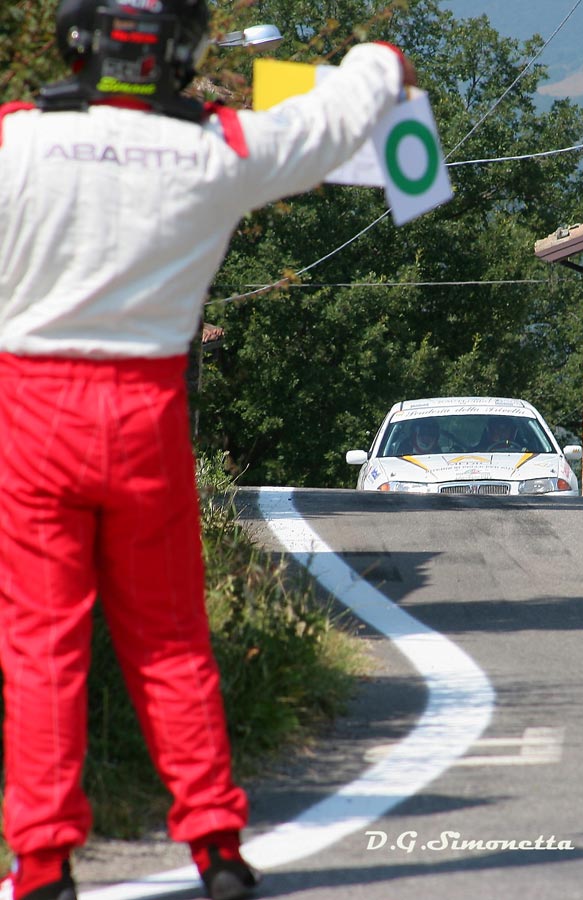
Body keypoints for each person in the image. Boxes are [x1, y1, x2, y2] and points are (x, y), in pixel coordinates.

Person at [0, 3, 417, 900]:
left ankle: (40, 863)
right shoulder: (218, 150)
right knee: (170, 638)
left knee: (40, 644)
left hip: (30, 409)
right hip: (145, 409)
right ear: (183, 60)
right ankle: (216, 844)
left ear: (77, 45)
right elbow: (327, 121)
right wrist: (381, 64)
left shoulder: (16, 139)